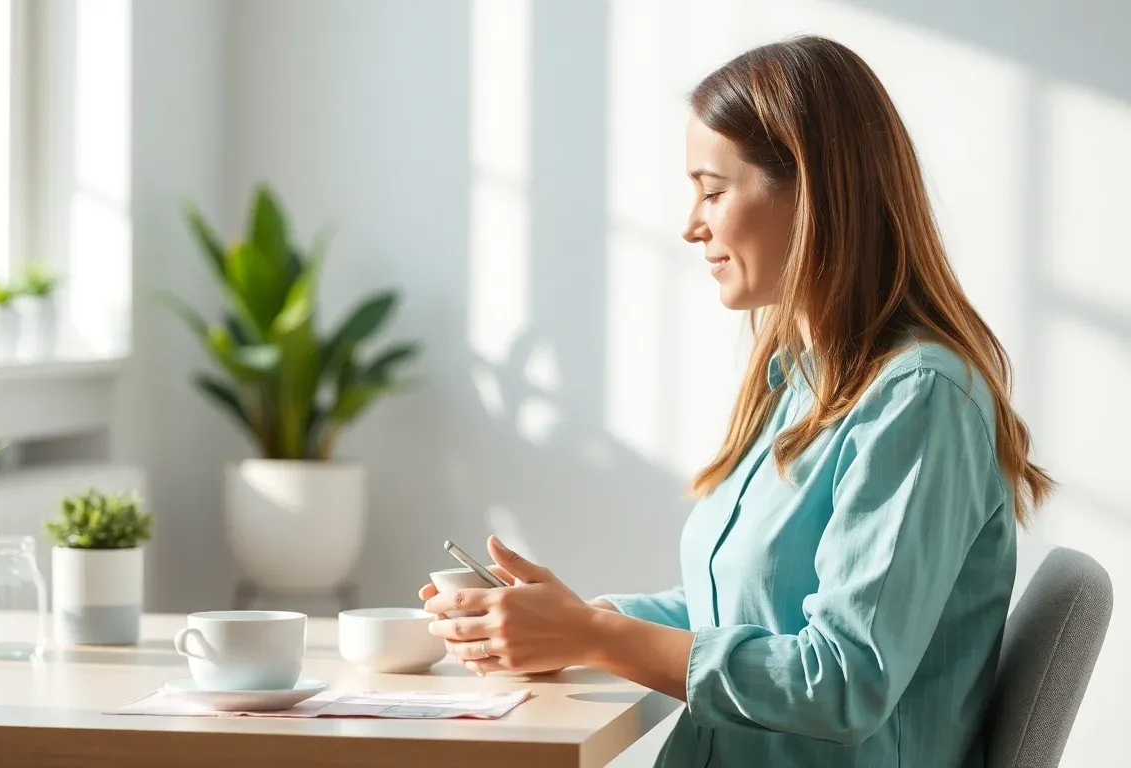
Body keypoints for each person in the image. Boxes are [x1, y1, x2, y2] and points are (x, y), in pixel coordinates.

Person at [420, 35, 1053, 768]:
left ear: (812, 191)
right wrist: (575, 619)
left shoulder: (919, 400)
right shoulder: (800, 380)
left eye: (713, 191)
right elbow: (742, 614)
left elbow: (843, 683)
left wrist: (594, 639)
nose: (693, 225)